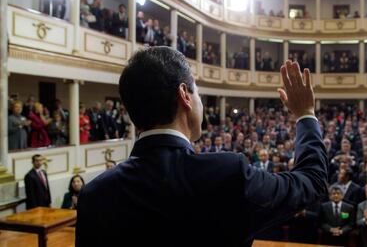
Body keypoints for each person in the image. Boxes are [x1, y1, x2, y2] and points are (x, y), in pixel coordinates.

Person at [76, 47, 328, 247]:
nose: (200, 102)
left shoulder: (95, 195)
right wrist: (305, 115)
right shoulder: (228, 174)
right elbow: (312, 182)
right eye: (198, 93)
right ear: (185, 95)